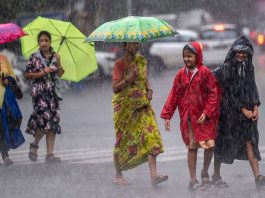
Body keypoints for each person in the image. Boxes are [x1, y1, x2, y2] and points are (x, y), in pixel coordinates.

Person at [161, 42, 220, 190]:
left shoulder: (205, 72)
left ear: (197, 56)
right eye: (185, 56)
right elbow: (174, 95)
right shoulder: (181, 75)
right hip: (189, 118)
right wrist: (168, 115)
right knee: (192, 147)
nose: (187, 59)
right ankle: (193, 179)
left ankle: (205, 171)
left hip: (205, 118)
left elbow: (213, 94)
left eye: (190, 56)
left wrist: (207, 112)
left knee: (209, 145)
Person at [213, 36, 265, 189]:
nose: (242, 55)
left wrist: (255, 106)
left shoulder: (249, 67)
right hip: (229, 114)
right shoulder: (227, 68)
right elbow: (229, 93)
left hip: (247, 113)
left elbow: (252, 87)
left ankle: (258, 177)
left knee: (250, 143)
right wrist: (243, 110)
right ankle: (216, 175)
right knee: (222, 143)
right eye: (239, 52)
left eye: (245, 53)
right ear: (234, 51)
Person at [112, 42, 168, 185]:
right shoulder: (119, 64)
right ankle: (118, 175)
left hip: (142, 105)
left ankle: (154, 175)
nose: (136, 46)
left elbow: (145, 80)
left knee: (151, 135)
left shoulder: (141, 61)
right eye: (132, 43)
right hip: (125, 108)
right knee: (123, 140)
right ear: (125, 45)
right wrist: (127, 79)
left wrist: (149, 90)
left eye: (137, 43)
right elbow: (115, 88)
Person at [25, 31, 64, 163]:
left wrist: (58, 63)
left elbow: (60, 74)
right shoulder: (34, 57)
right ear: (38, 43)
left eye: (46, 40)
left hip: (52, 94)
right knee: (42, 121)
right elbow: (28, 74)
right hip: (39, 93)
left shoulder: (55, 56)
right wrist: (42, 72)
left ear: (50, 42)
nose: (43, 43)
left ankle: (50, 154)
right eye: (41, 41)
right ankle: (34, 145)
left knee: (52, 123)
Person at [0, 54, 24, 166]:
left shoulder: (3, 58)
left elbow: (11, 74)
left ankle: (5, 155)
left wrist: (8, 80)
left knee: (4, 126)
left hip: (4, 99)